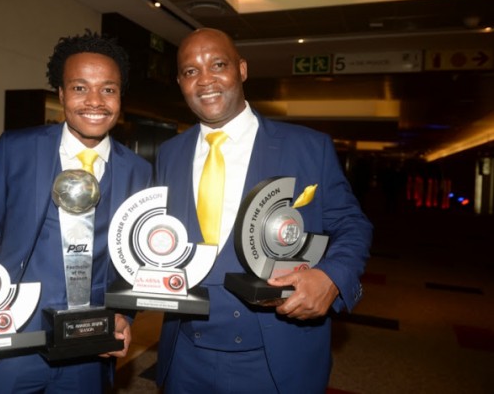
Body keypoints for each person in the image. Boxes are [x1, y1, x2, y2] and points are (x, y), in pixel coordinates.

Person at [154, 28, 372, 393]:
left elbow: (351, 222)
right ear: (180, 82)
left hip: (275, 357)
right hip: (185, 357)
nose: (205, 79)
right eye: (191, 71)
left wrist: (332, 276)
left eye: (218, 64)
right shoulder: (169, 153)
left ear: (241, 69)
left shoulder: (307, 147)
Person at [0, 31, 152, 393]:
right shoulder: (16, 149)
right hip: (13, 332)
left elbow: (135, 258)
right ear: (62, 94)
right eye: (80, 88)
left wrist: (124, 315)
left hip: (88, 339)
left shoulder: (138, 171)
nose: (95, 101)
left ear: (120, 97)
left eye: (109, 89)